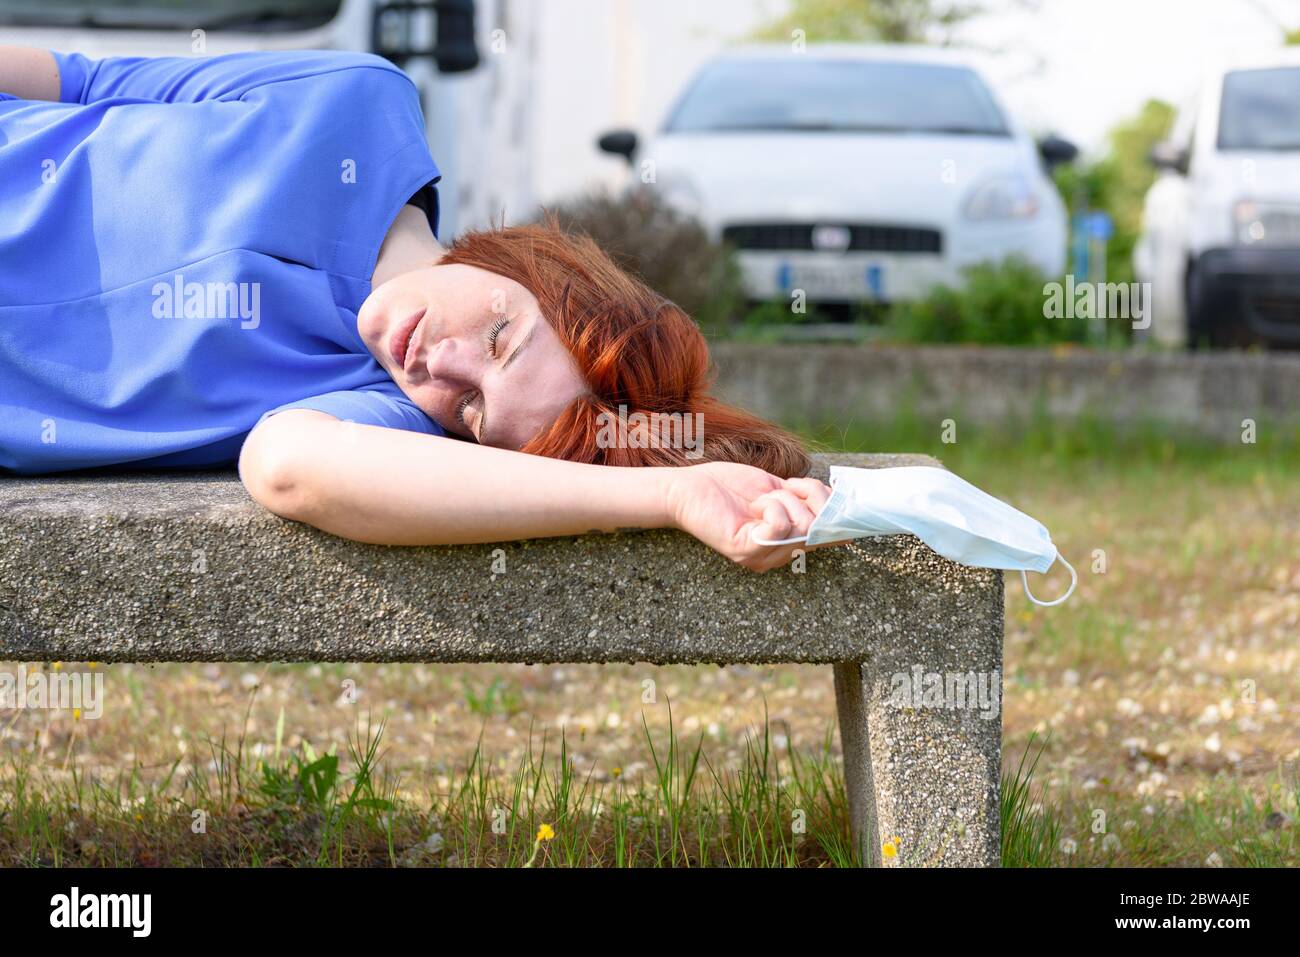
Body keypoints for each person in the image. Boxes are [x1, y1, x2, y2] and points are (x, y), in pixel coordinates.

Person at [0, 46, 829, 571]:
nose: (443, 366)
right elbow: (75, 81)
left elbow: (286, 466)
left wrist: (670, 494)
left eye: (472, 410)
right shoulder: (360, 106)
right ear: (535, 264)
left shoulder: (376, 410)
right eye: (501, 335)